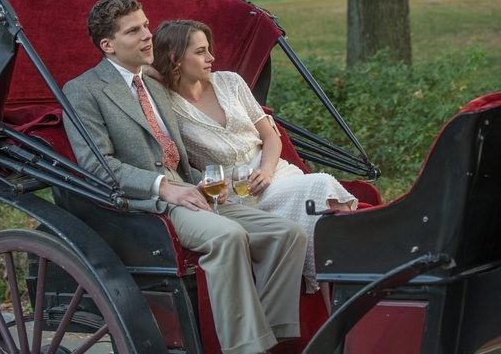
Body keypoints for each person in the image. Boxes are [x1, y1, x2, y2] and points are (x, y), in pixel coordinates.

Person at [62, 0, 308, 354]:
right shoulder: (83, 91)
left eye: (146, 25)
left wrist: (203, 181)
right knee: (227, 236)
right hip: (147, 201)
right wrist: (164, 188)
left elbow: (176, 150)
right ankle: (247, 347)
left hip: (190, 189)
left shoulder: (154, 86)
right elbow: (98, 165)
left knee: (287, 234)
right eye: (133, 31)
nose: (147, 35)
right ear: (108, 45)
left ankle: (269, 335)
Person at [150, 19, 359, 305]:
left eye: (208, 49)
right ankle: (339, 303)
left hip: (272, 171)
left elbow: (271, 136)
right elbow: (137, 75)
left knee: (322, 188)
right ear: (175, 57)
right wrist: (154, 68)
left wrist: (267, 171)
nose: (211, 58)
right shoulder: (166, 105)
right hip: (232, 190)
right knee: (321, 187)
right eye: (200, 52)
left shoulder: (231, 82)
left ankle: (340, 296)